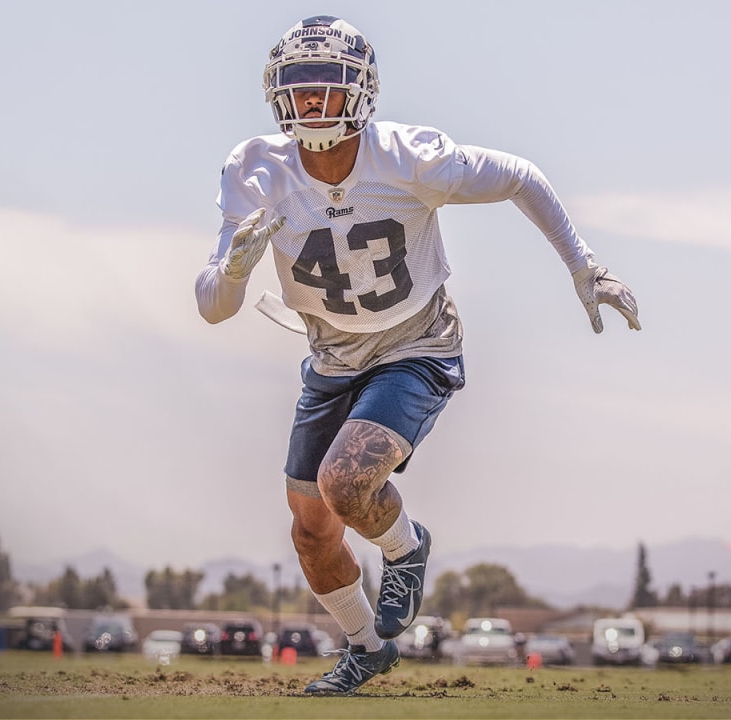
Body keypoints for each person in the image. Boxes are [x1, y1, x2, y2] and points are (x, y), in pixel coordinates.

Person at [195, 15, 640, 696]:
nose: (312, 104)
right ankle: (365, 649)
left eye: (326, 89)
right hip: (330, 357)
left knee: (346, 487)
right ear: (277, 95)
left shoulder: (411, 158)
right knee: (312, 533)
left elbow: (519, 176)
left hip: (415, 343)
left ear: (360, 93)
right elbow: (212, 306)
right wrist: (231, 271)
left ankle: (406, 550)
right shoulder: (256, 170)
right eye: (299, 90)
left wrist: (584, 267)